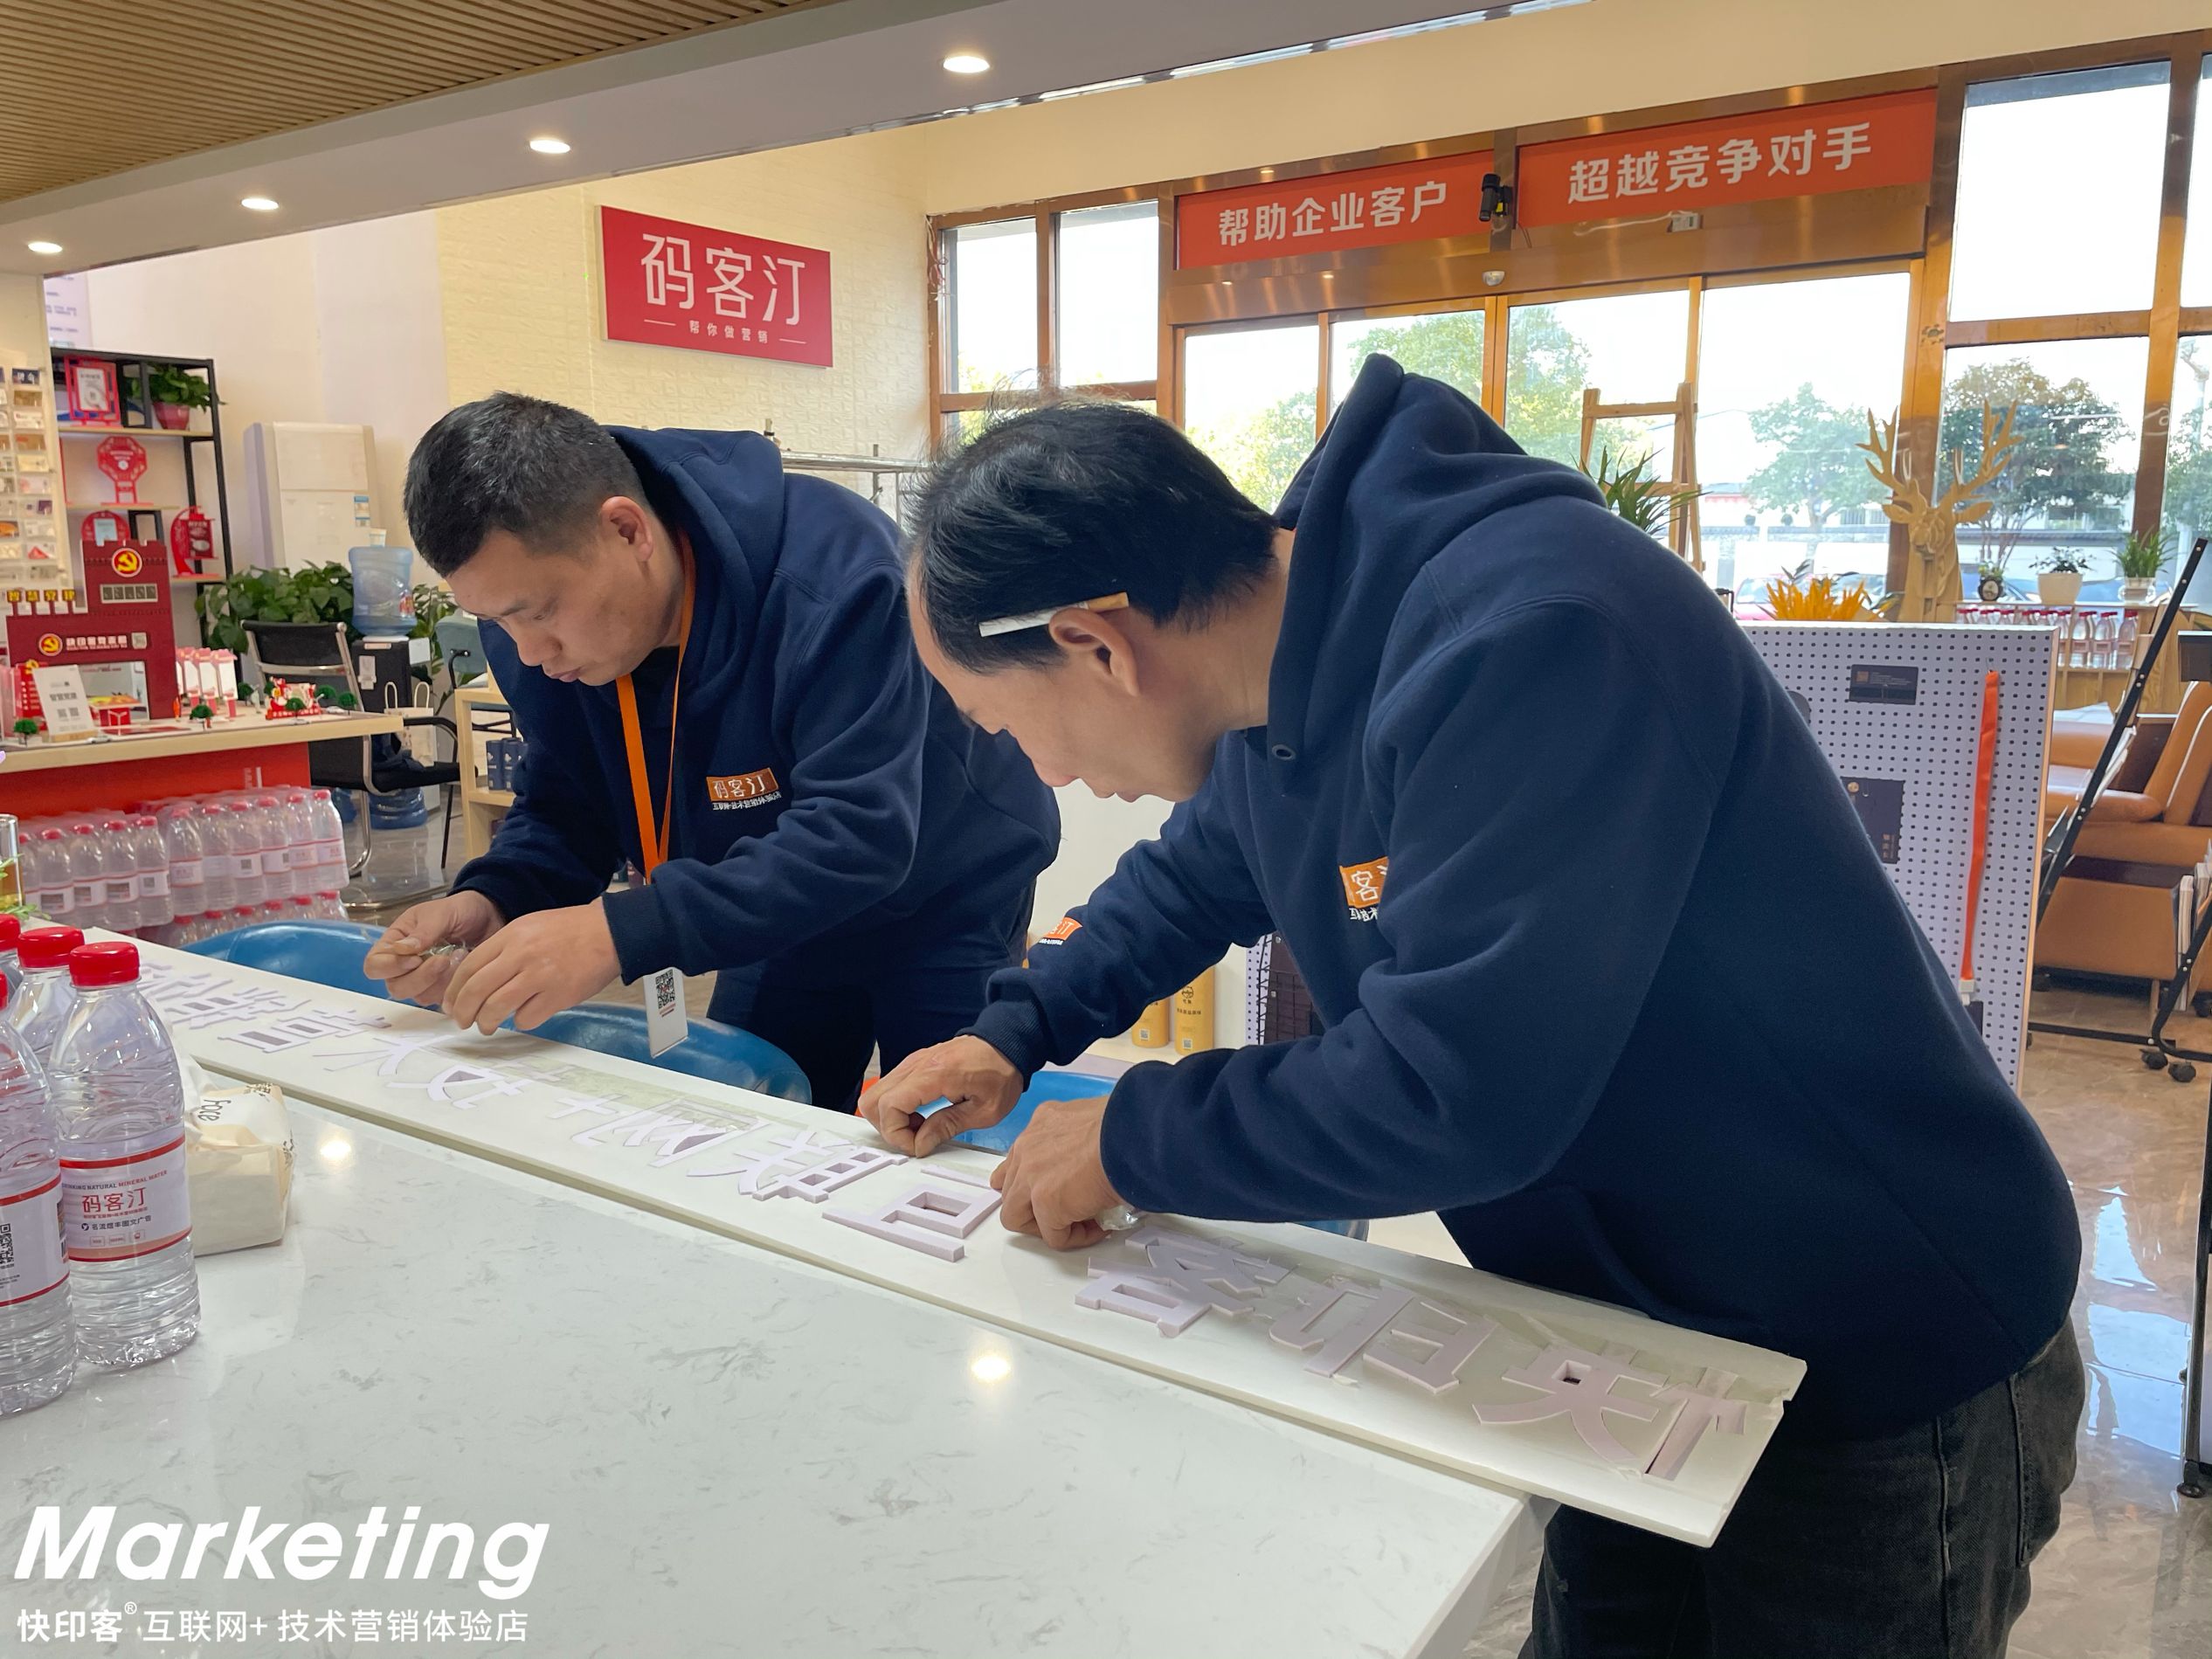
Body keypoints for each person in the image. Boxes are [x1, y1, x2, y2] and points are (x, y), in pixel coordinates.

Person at [861, 360, 2084, 1657]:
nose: (1044, 770)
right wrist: (1013, 1029)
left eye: (1006, 723)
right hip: (1636, 1331)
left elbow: (1453, 1089)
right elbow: (1198, 872)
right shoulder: (1287, 670)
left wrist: (1130, 1133)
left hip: (1865, 1340)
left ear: (1096, 644)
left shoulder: (1539, 634)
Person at [366, 392, 1058, 1111]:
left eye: (538, 612)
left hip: (945, 886)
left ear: (627, 529)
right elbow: (569, 802)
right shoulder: (538, 641)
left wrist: (621, 932)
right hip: (770, 893)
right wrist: (494, 896)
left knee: (939, 1129)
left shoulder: (836, 576)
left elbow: (861, 834)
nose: (531, 652)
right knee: (750, 1120)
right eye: (497, 620)